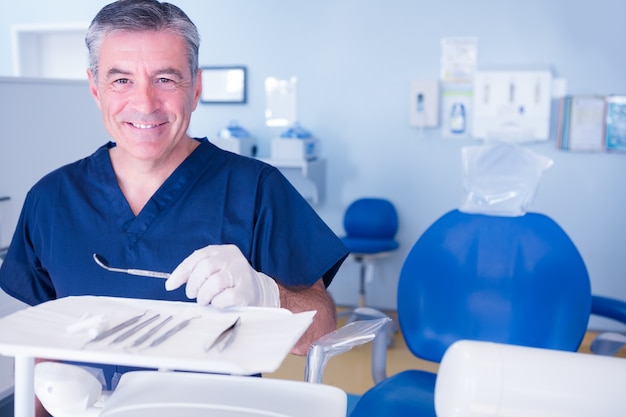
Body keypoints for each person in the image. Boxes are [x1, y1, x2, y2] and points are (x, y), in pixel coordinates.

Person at [0, 0, 348, 404]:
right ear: (95, 88)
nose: (145, 103)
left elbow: (320, 329)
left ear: (196, 87)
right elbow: (46, 350)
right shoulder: (52, 200)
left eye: (165, 79)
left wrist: (271, 295)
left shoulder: (256, 189)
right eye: (121, 80)